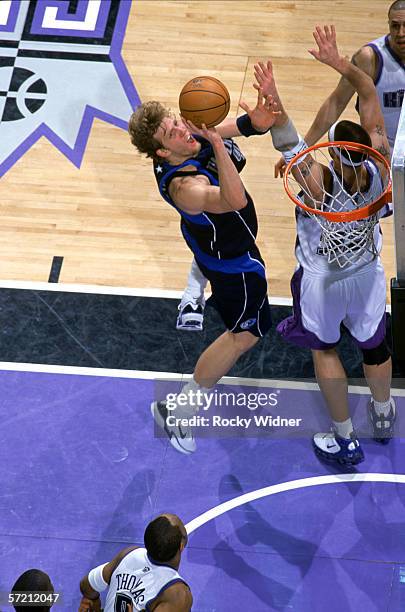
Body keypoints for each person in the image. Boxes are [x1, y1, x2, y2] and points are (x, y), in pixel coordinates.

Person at [258, 25, 396, 465]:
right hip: (367, 273)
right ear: (370, 146)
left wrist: (275, 104)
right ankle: (383, 413)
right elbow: (369, 95)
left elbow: (289, 140)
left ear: (336, 151)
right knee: (375, 348)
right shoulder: (381, 171)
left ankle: (344, 438)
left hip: (324, 279)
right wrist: (342, 65)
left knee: (326, 349)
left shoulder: (320, 183)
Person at [128, 75, 279, 454]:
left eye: (177, 121)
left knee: (247, 324)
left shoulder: (180, 144)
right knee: (244, 334)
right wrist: (217, 144)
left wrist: (253, 123)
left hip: (216, 248)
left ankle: (194, 288)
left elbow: (222, 126)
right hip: (233, 266)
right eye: (172, 131)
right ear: (162, 153)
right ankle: (178, 410)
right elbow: (235, 199)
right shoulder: (187, 189)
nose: (182, 128)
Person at [274, 0, 405, 178]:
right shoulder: (370, 58)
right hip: (382, 153)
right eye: (395, 26)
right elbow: (336, 102)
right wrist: (302, 148)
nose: (400, 33)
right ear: (388, 24)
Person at [79, 514, 192, 612]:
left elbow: (87, 585)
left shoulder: (129, 554)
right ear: (181, 546)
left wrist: (91, 600)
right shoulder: (177, 594)